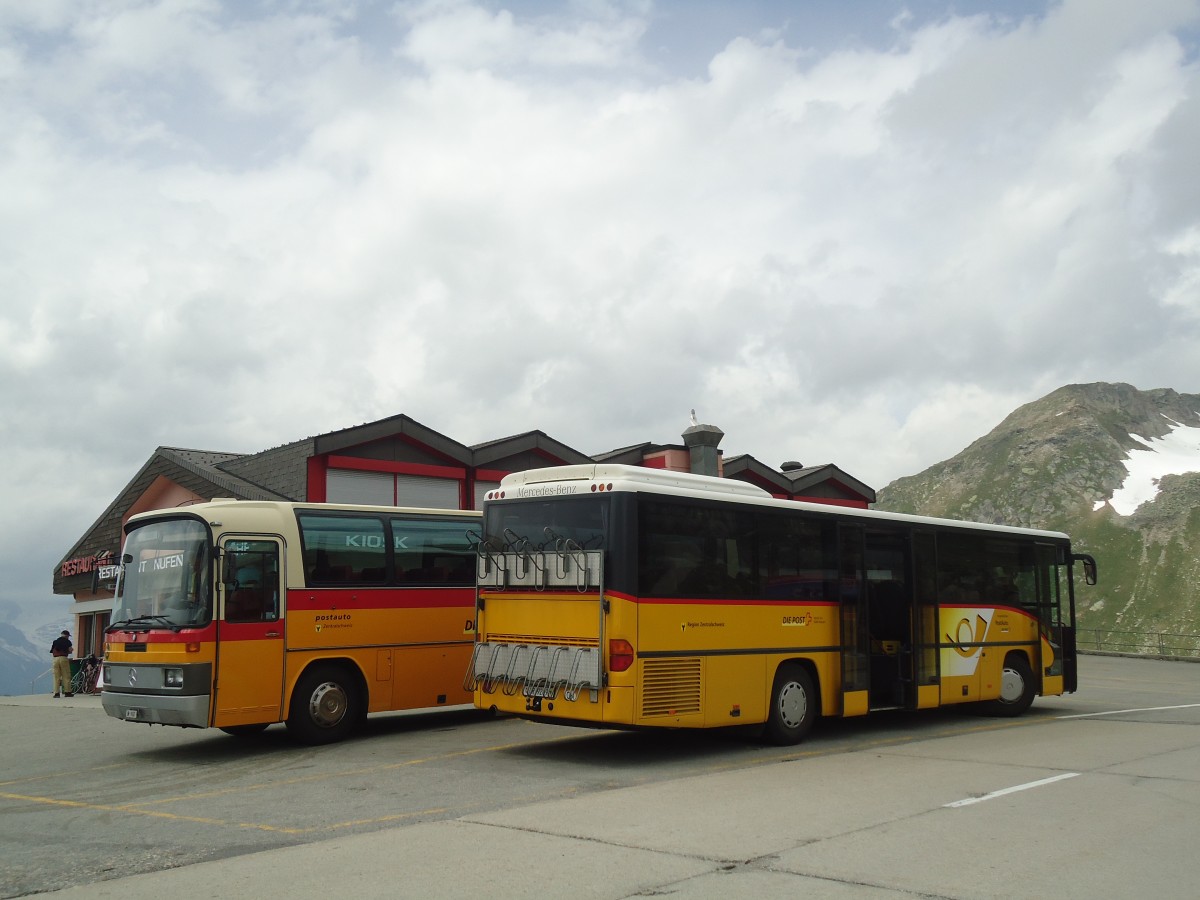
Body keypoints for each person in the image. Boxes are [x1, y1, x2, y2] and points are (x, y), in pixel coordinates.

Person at [50, 630, 73, 698]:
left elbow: (53, 650)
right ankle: (67, 692)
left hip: (55, 659)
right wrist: (69, 651)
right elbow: (70, 650)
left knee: (56, 677)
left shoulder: (55, 642)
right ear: (67, 636)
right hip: (63, 658)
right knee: (66, 675)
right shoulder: (67, 642)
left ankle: (56, 693)